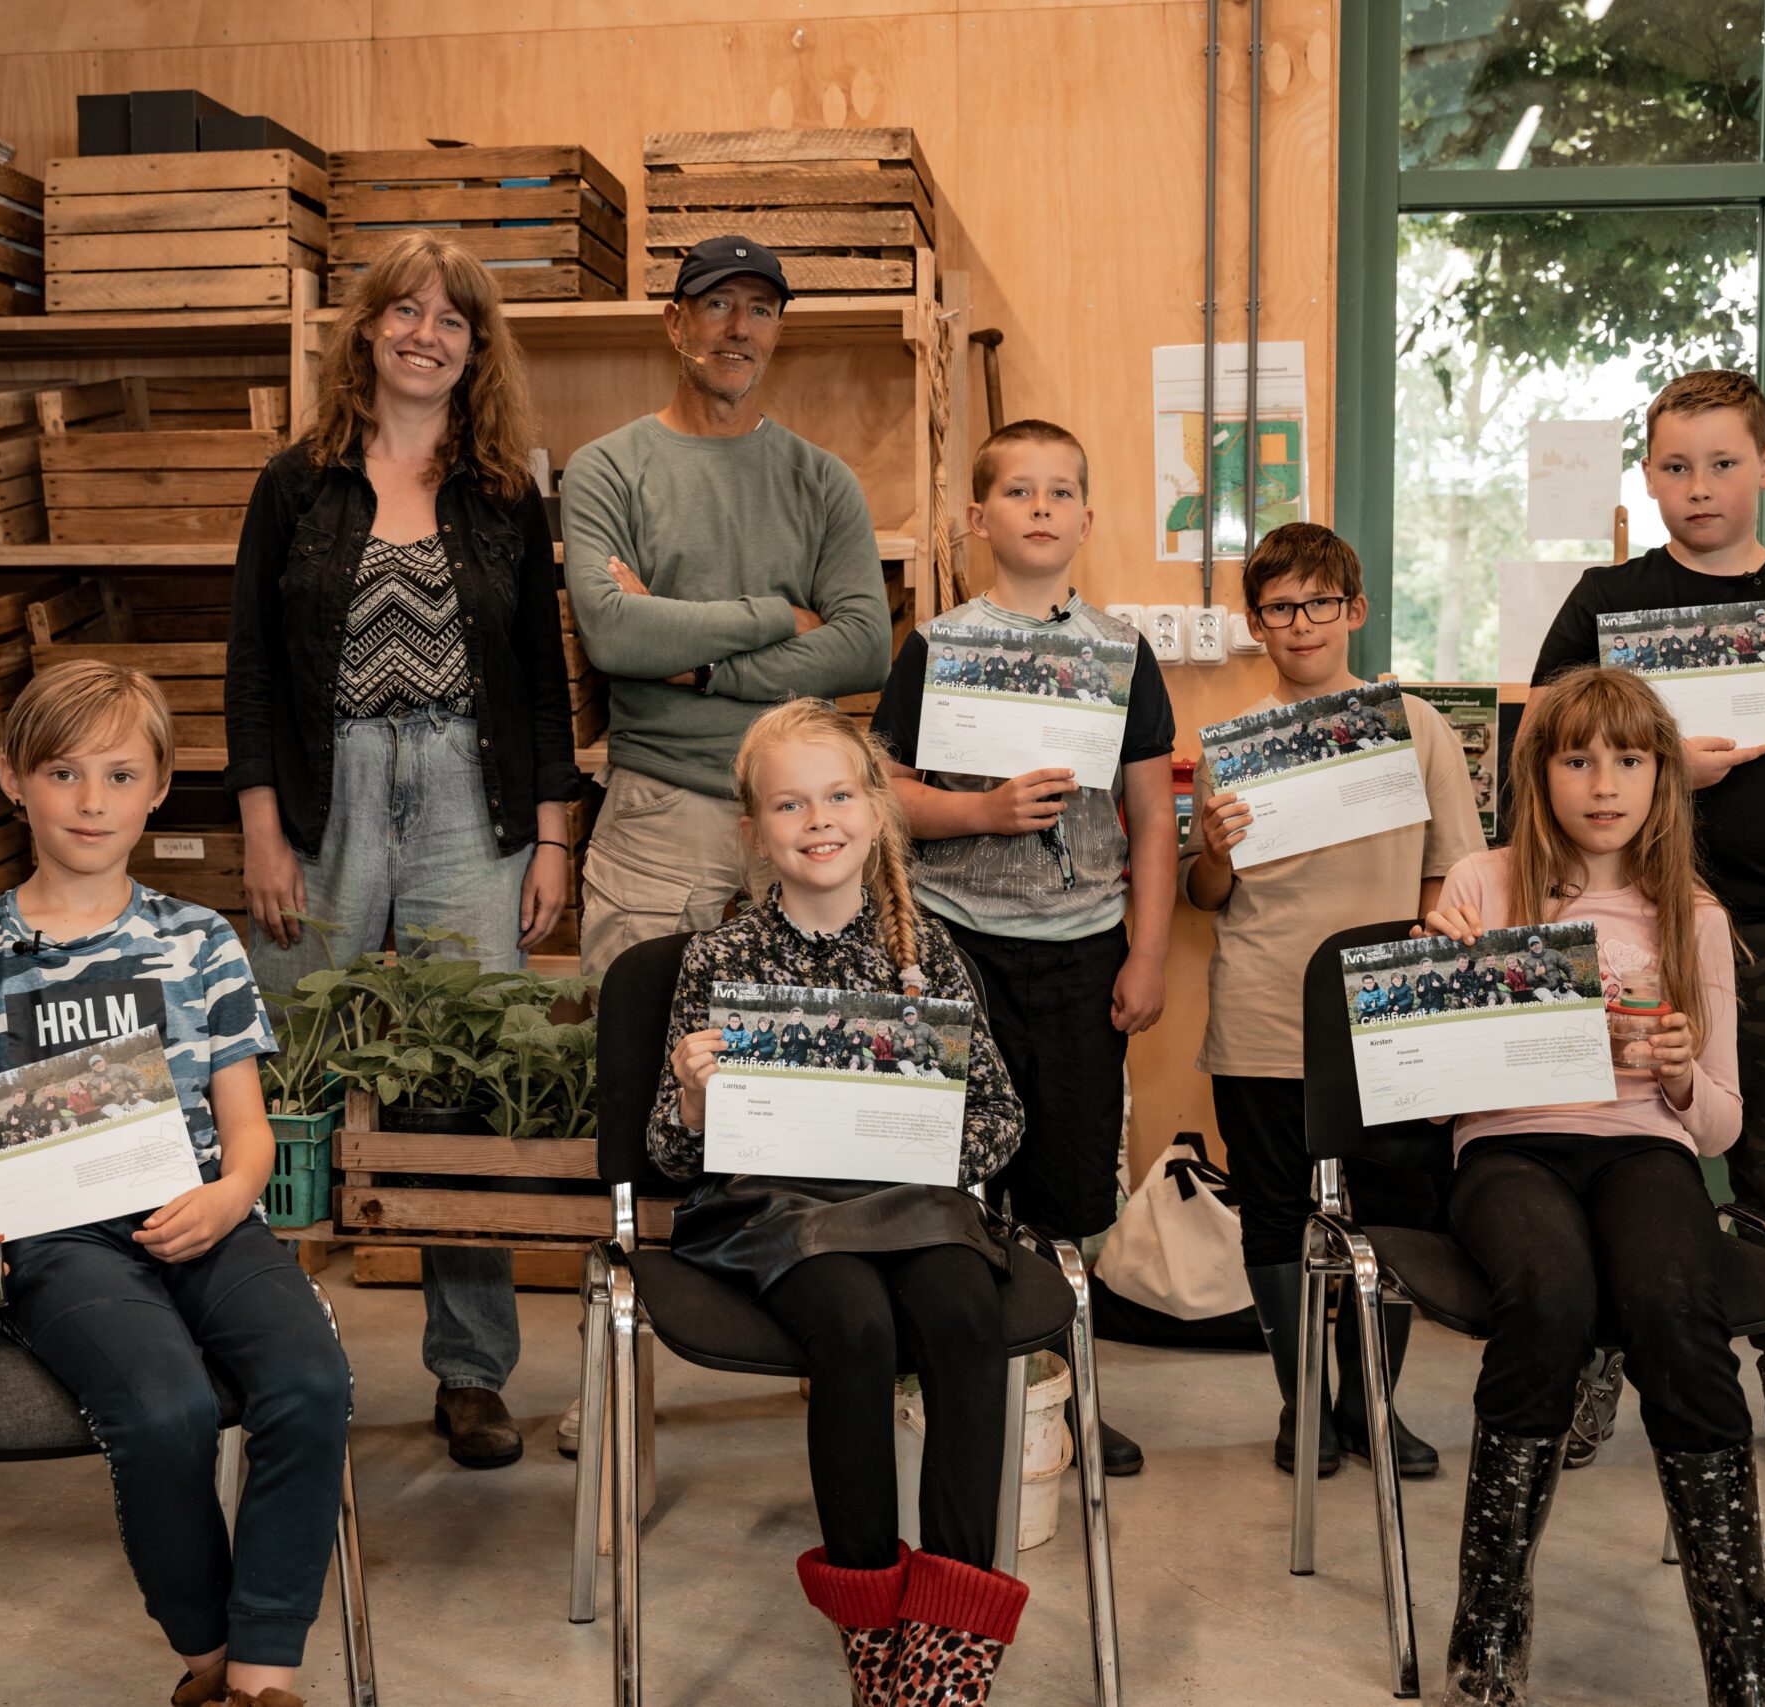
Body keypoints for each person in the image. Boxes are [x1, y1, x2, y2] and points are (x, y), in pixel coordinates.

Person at [0, 663, 351, 1707]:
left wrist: (233, 1199)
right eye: (62, 772)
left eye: (118, 774)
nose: (90, 801)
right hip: (52, 1247)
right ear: (12, 779)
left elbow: (248, 1133)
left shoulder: (200, 942)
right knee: (163, 1407)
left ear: (158, 788)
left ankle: (266, 1681)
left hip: (202, 1214)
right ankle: (209, 1666)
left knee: (313, 1382)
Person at [227, 231, 576, 1473]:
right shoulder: (296, 484)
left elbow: (543, 680)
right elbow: (252, 672)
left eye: (453, 319)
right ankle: (267, 1355)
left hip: (465, 799)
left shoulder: (503, 495)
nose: (426, 333)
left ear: (476, 350)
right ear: (367, 329)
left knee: (461, 1083)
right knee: (292, 1073)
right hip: (328, 793)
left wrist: (548, 841)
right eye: (406, 311)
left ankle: (471, 1372)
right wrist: (262, 826)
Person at [1532, 368, 1765, 1483]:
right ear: (1648, 473)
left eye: (1722, 464)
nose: (1699, 488)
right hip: (1624, 925)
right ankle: (1601, 1370)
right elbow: (1535, 760)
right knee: (1617, 1161)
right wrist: (1661, 769)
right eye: (1677, 466)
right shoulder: (1604, 603)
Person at [1418, 664, 1765, 1707]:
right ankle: (1487, 1632)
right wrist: (1435, 983)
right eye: (1576, 760)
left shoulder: (1692, 917)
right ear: (1536, 775)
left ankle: (1744, 1657)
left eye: (1628, 760)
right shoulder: (1478, 886)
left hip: (1644, 1150)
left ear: (1664, 778)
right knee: (1550, 1297)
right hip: (1507, 1146)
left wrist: (1677, 1072)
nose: (1602, 784)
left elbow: (1720, 1123)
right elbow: (1429, 1096)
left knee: (1677, 1310)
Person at [650, 697, 1030, 1705]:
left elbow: (999, 1118)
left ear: (875, 811)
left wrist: (917, 1119)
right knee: (854, 1329)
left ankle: (948, 1644)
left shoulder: (928, 956)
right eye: (787, 804)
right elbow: (667, 1154)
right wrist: (692, 1097)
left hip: (914, 1201)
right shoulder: (716, 962)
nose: (816, 821)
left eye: (835, 796)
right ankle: (871, 1634)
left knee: (963, 1315)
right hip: (775, 1215)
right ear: (754, 832)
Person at [871, 418, 1176, 1476]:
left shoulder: (1119, 654)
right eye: (1018, 492)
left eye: (1061, 492)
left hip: (1085, 953)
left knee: (1068, 1190)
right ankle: (947, 1384)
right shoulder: (938, 647)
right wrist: (982, 814)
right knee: (952, 1179)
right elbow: (887, 798)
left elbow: (1149, 818)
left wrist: (1146, 954)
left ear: (1088, 519)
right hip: (955, 947)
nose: (1041, 508)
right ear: (977, 518)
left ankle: (1063, 1392)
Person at [1186, 523, 1484, 1480]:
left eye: (1320, 602)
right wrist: (1217, 850)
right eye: (1280, 606)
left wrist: (1428, 980)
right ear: (1256, 623)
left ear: (1354, 611)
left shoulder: (1414, 723)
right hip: (1264, 1004)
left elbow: (1456, 877)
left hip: (1387, 1013)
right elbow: (1208, 896)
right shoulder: (1230, 745)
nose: (1301, 621)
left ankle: (1371, 1405)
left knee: (1399, 1207)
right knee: (1272, 1211)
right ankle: (1301, 1406)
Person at [564, 236, 892, 983]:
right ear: (675, 323)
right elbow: (616, 634)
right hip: (659, 817)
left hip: (804, 819)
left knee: (801, 1079)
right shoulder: (607, 467)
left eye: (761, 311)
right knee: (638, 1064)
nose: (739, 329)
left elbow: (865, 648)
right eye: (717, 305)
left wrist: (700, 663)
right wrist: (780, 613)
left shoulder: (824, 480)